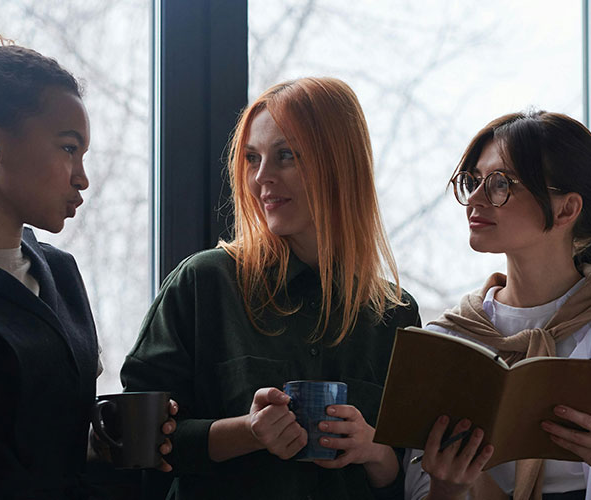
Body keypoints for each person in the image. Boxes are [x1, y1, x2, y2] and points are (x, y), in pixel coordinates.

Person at [0, 3, 175, 499]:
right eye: (68, 148)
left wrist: (112, 440)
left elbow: (45, 443)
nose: (82, 177)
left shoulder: (60, 272)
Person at [120, 76, 421, 500]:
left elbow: (409, 480)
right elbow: (137, 446)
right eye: (251, 158)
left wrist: (373, 451)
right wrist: (248, 432)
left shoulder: (397, 313)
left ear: (340, 164)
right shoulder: (204, 283)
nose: (262, 177)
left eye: (285, 156)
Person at [404, 111, 591, 500]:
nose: (473, 199)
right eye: (473, 182)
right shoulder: (448, 339)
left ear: (566, 210)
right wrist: (451, 486)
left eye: (500, 183)